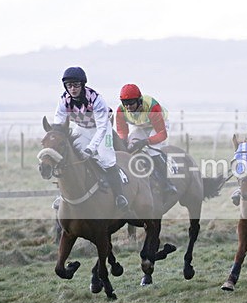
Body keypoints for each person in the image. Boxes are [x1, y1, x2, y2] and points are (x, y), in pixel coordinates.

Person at [54, 66, 128, 209]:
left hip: (102, 128)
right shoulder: (63, 100)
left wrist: (91, 148)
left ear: (82, 84)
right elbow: (59, 124)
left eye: (76, 85)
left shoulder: (96, 98)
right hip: (82, 128)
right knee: (72, 159)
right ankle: (62, 195)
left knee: (107, 159)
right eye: (69, 85)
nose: (73, 89)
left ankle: (120, 196)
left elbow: (101, 128)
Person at [114, 83, 178, 197]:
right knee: (130, 148)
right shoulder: (120, 111)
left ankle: (167, 183)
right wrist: (124, 144)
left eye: (131, 103)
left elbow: (162, 135)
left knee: (152, 150)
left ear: (139, 100)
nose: (128, 107)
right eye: (125, 104)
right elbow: (123, 133)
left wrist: (145, 142)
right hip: (141, 126)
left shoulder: (152, 107)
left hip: (159, 126)